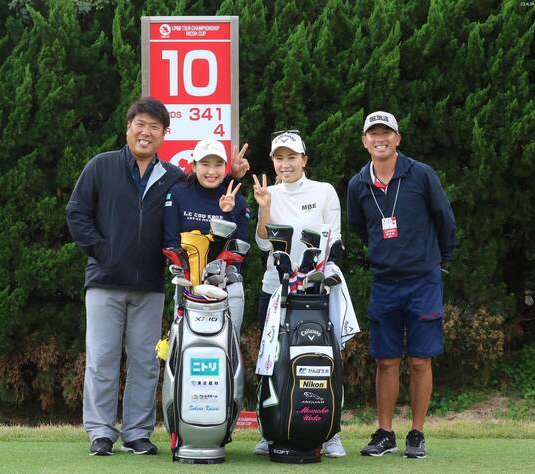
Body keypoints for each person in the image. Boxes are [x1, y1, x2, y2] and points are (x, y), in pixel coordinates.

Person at [66, 96, 249, 456]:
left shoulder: (172, 177)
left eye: (154, 127)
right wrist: (104, 251)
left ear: (165, 134)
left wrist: (233, 176)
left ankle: (137, 432)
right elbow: (77, 213)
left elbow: (205, 190)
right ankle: (101, 432)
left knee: (145, 362)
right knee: (102, 359)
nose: (146, 132)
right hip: (104, 281)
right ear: (128, 127)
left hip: (150, 285)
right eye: (140, 124)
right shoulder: (101, 166)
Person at [347, 111, 456, 459]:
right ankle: (385, 433)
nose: (380, 139)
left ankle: (417, 433)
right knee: (386, 361)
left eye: (386, 133)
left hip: (423, 281)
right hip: (385, 282)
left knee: (421, 361)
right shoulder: (358, 184)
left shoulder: (421, 174)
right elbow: (360, 227)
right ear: (364, 141)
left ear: (397, 138)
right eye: (373, 134)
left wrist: (440, 259)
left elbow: (444, 219)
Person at [251, 130, 346, 458]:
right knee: (270, 360)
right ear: (273, 161)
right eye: (279, 158)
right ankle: (270, 429)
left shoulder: (324, 191)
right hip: (275, 290)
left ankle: (330, 433)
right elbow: (262, 243)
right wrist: (264, 208)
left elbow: (334, 239)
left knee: (325, 358)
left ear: (304, 160)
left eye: (292, 157)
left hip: (314, 292)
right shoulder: (269, 193)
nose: (286, 164)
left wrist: (320, 271)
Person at [163, 138, 250, 335]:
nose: (212, 171)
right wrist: (185, 271)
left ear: (225, 168)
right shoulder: (178, 193)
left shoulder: (237, 200)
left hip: (227, 285)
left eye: (218, 164)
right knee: (187, 343)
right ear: (194, 166)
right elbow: (170, 241)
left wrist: (227, 213)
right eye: (205, 164)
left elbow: (238, 247)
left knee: (226, 345)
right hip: (188, 284)